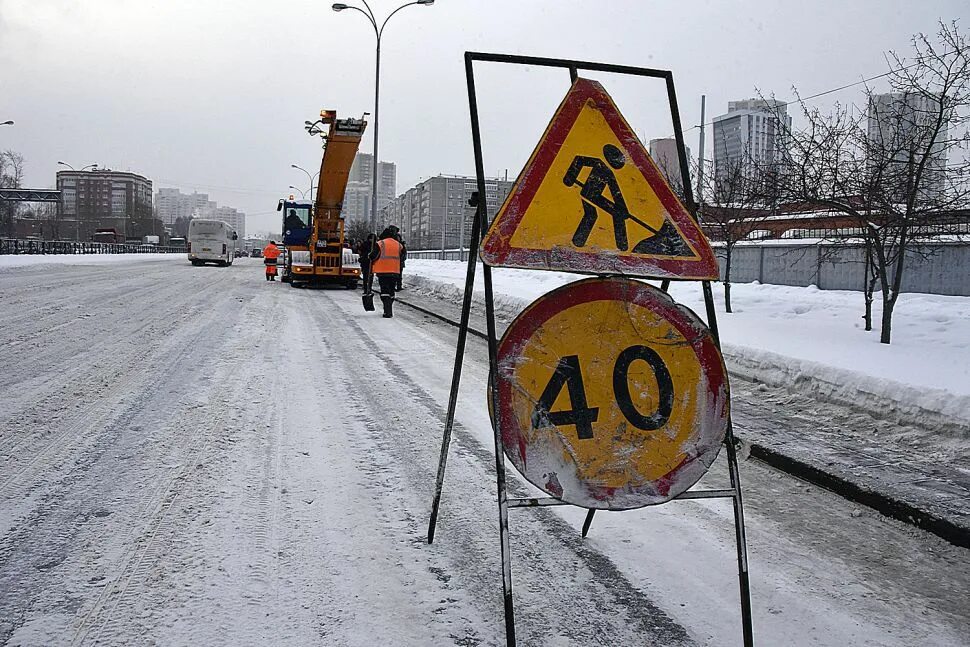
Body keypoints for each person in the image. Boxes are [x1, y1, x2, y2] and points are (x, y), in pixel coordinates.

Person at [369, 227, 402, 318]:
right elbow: (402, 257)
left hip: (383, 271)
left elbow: (373, 256)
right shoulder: (399, 245)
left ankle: (387, 311)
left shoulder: (380, 244)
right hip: (395, 271)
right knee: (391, 291)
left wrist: (369, 256)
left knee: (384, 291)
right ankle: (389, 309)